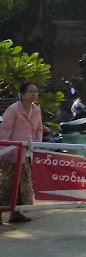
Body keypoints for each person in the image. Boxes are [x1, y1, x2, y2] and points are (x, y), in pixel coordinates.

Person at [0, 82, 44, 224]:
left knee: (23, 184)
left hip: (26, 153)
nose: (34, 94)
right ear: (22, 93)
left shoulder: (36, 110)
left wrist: (36, 145)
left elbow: (39, 129)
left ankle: (16, 212)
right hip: (10, 153)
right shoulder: (13, 109)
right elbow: (4, 130)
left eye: (36, 91)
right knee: (7, 184)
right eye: (30, 91)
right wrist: (6, 149)